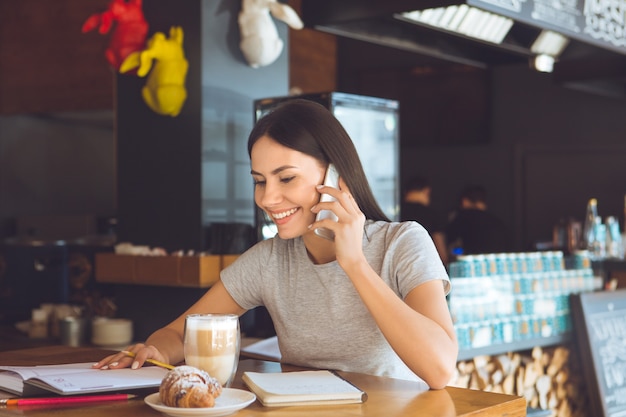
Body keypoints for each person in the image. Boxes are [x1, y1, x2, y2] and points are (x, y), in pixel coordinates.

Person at [93, 99, 458, 390]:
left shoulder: (403, 242)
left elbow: (440, 370)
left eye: (286, 178)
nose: (268, 198)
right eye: (259, 181)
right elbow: (179, 332)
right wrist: (152, 350)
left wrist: (355, 265)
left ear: (335, 176)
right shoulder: (269, 261)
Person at [445, 184, 510, 256]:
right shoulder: (498, 223)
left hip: (470, 263)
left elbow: (449, 247)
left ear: (465, 201)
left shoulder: (461, 218)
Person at [401, 176, 448, 265]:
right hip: (425, 267)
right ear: (427, 191)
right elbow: (440, 249)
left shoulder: (395, 214)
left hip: (399, 266)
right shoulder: (431, 215)